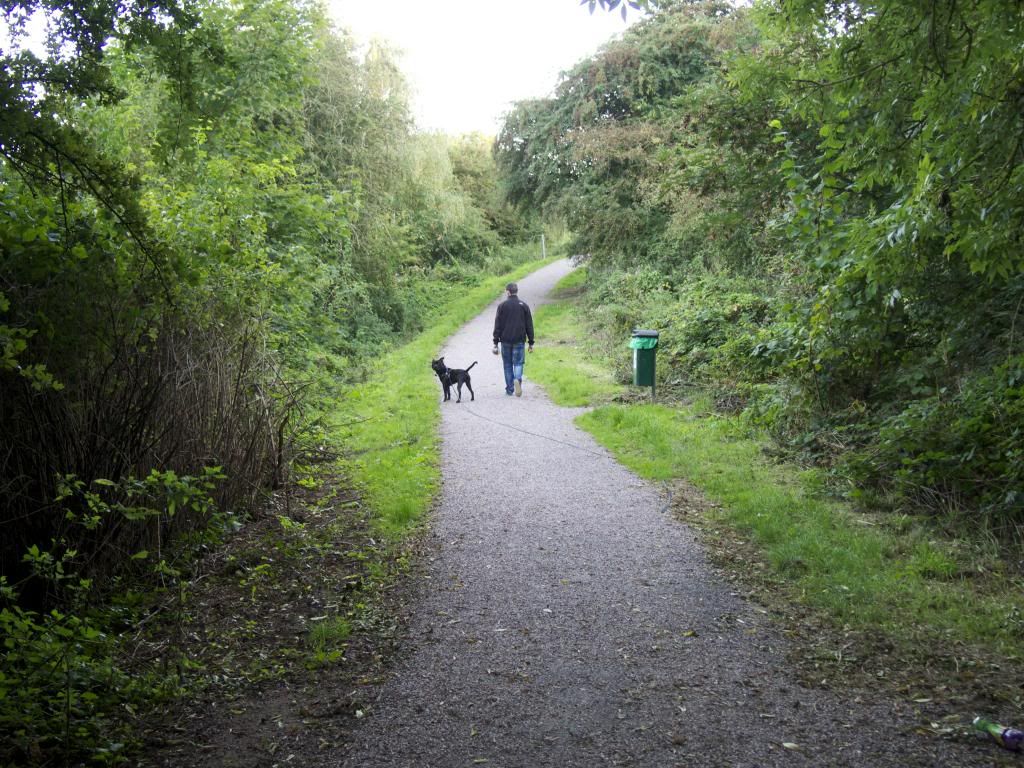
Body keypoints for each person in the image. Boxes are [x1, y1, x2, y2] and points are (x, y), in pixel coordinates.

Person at [492, 282, 534, 397]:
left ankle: (510, 389)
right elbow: (529, 325)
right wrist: (531, 342)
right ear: (516, 291)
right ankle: (517, 379)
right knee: (519, 363)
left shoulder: (502, 306)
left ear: (508, 292)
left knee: (507, 364)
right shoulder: (524, 306)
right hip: (519, 340)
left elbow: (498, 325)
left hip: (505, 340)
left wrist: (495, 342)